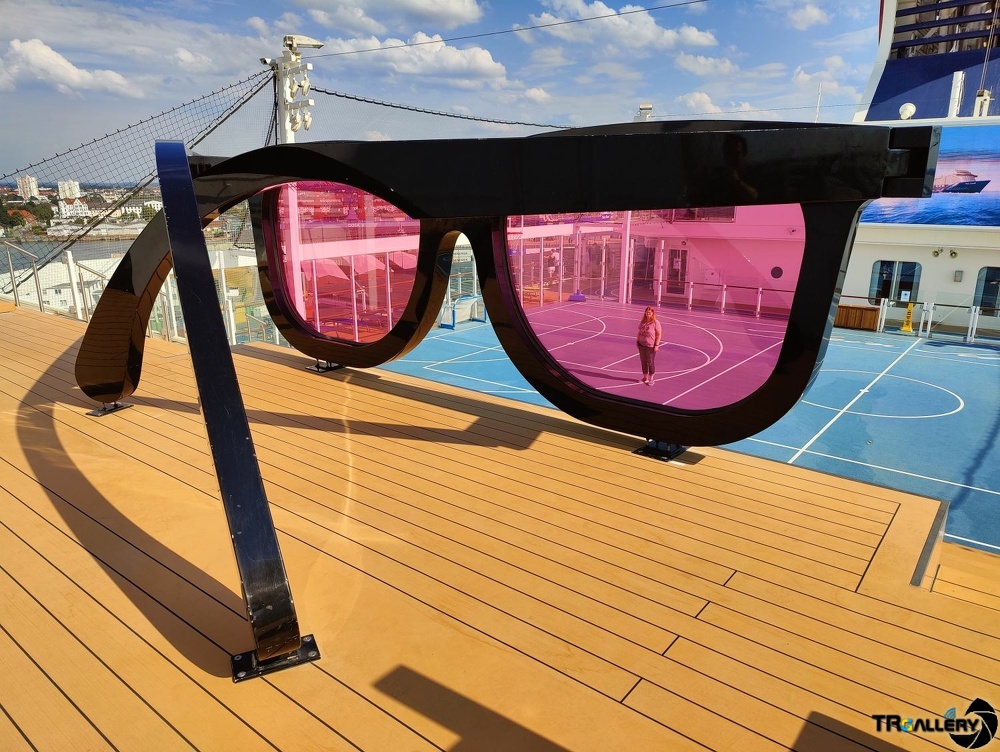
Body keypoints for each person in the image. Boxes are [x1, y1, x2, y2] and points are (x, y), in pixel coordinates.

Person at [636, 306, 662, 385]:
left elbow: (659, 334)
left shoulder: (655, 322)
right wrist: (637, 341)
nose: (648, 313)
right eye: (647, 312)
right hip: (641, 344)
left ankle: (651, 379)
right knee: (643, 361)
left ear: (653, 313)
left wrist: (656, 345)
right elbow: (639, 332)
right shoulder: (643, 321)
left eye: (650, 312)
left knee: (650, 362)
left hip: (650, 346)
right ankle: (645, 377)